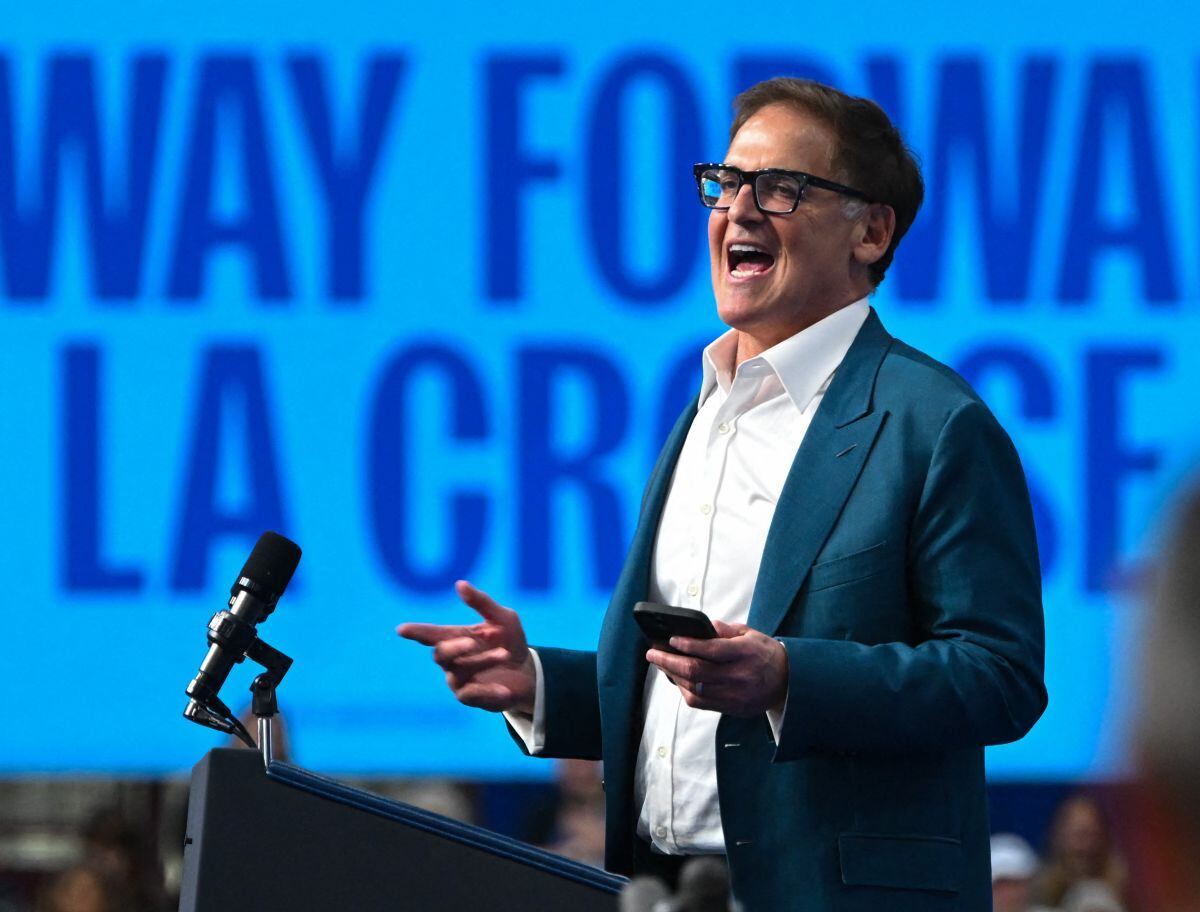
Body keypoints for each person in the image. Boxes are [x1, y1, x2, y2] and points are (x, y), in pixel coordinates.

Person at [399, 76, 1047, 910]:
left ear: (872, 231)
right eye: (726, 182)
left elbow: (1000, 676)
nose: (738, 210)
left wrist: (788, 679)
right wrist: (540, 685)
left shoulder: (934, 422)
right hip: (665, 889)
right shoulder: (703, 412)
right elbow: (693, 691)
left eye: (781, 188)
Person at [1031, 794, 1128, 910]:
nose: (1084, 846)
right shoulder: (1039, 888)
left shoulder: (1122, 886)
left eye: (1091, 834)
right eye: (1078, 835)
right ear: (1060, 835)